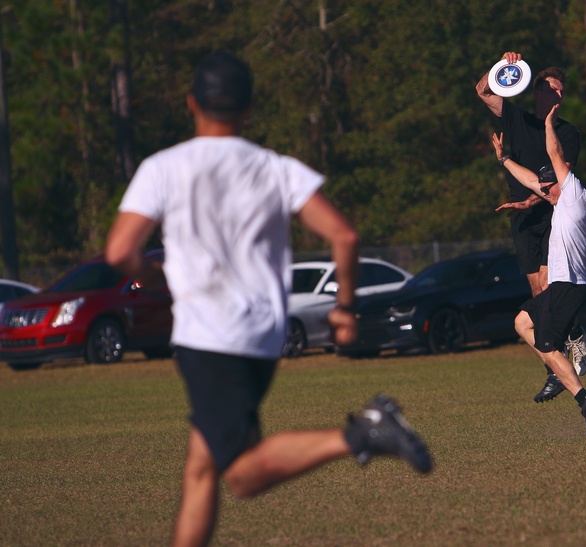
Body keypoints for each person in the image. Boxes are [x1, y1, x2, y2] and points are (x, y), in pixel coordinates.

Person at [104, 51, 432, 546]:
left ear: (191, 102)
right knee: (201, 466)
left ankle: (362, 432)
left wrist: (150, 273)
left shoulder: (163, 167)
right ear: (248, 109)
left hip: (209, 338)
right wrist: (343, 308)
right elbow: (344, 236)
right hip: (262, 336)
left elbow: (119, 251)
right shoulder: (276, 169)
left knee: (240, 474)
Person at [476, 51, 586, 400]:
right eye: (547, 89)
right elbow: (483, 90)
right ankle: (554, 368)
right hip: (522, 218)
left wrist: (531, 200)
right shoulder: (516, 119)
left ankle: (576, 335)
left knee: (550, 288)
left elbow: (559, 185)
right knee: (537, 294)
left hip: (551, 216)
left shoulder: (567, 133)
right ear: (536, 91)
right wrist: (502, 65)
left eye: (559, 91)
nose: (553, 95)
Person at [493, 103, 586, 435]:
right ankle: (579, 391)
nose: (543, 191)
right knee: (522, 322)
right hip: (562, 287)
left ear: (561, 181)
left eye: (547, 185)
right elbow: (531, 179)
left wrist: (550, 124)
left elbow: (555, 153)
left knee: (547, 347)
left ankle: (585, 399)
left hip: (570, 286)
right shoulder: (558, 196)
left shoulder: (572, 194)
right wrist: (503, 159)